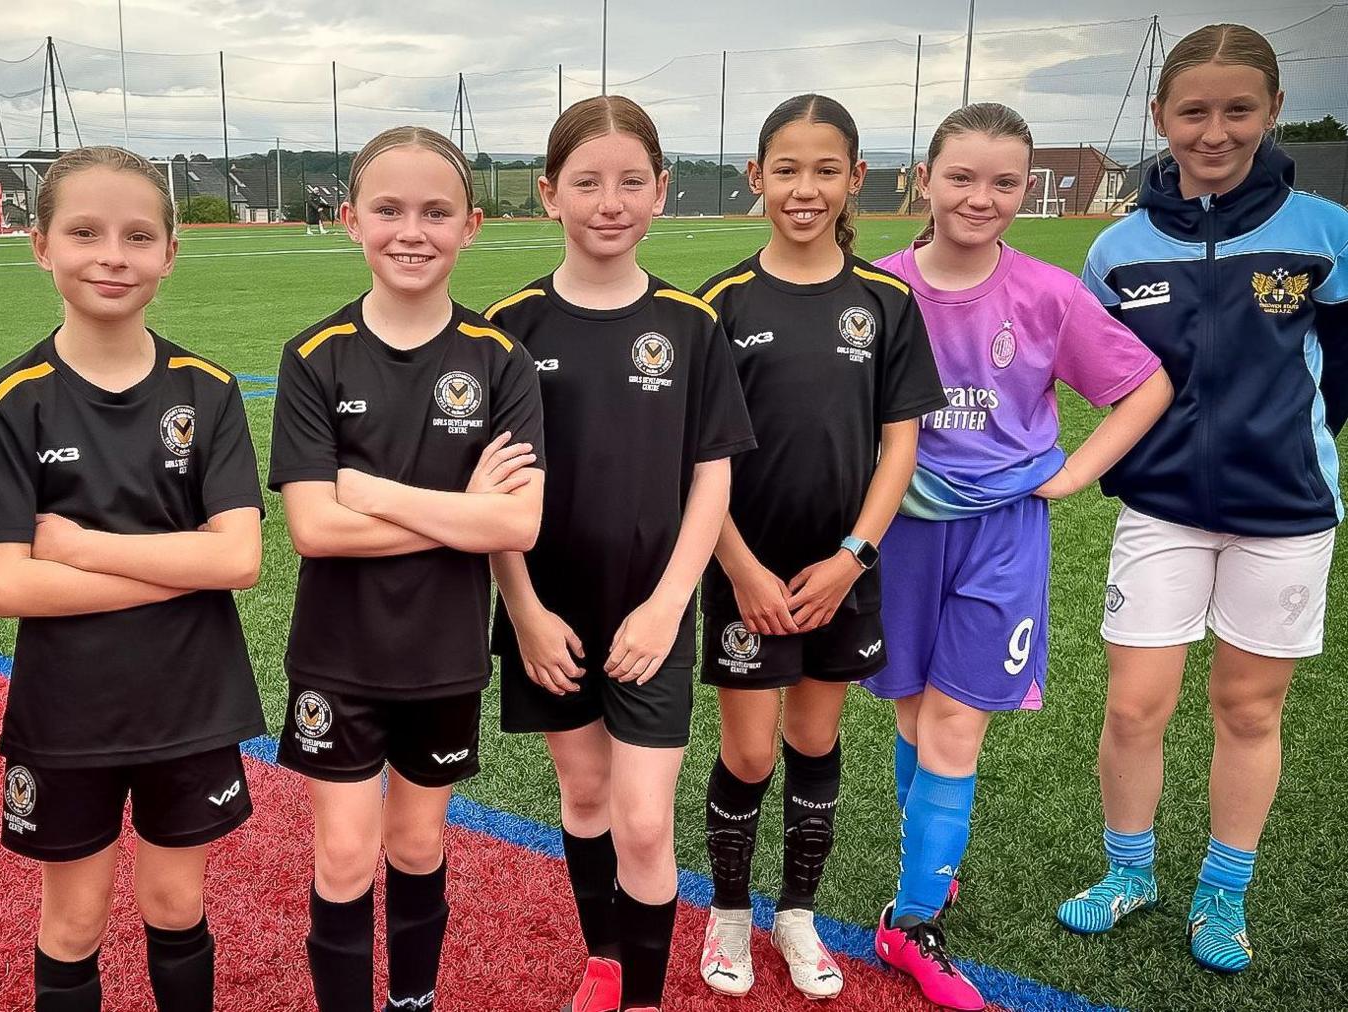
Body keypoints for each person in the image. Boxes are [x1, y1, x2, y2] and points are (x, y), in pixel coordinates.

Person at [859, 103, 1171, 1010]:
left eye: (1004, 182)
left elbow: (1145, 384)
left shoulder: (1047, 291)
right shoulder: (877, 289)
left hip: (1002, 535)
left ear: (1026, 189)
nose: (981, 197)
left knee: (958, 724)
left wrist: (1071, 475)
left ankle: (912, 920)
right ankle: (932, 870)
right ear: (924, 180)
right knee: (915, 719)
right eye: (961, 177)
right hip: (902, 529)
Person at [1055, 23, 1348, 974]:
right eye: (1193, 111)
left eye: (1237, 110)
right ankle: (1129, 872)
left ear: (1270, 112)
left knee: (1248, 710)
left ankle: (1223, 895)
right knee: (1136, 706)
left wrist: (1282, 445)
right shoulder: (1117, 250)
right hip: (1162, 508)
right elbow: (1107, 376)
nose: (1214, 131)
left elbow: (1339, 372)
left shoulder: (1324, 232)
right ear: (1159, 116)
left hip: (1286, 514)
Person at [0, 146, 266, 1011]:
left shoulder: (205, 391)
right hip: (68, 712)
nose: (113, 255)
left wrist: (80, 545)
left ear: (171, 251)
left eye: (139, 236)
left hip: (188, 700)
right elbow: (7, 588)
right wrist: (182, 563)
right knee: (75, 922)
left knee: (177, 903)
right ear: (41, 245)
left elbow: (239, 560)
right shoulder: (12, 399)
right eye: (85, 232)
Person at [269, 125, 545, 1012]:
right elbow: (314, 529)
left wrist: (371, 491)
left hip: (442, 654)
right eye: (388, 209)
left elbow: (521, 522)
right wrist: (462, 511)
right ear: (352, 219)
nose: (411, 230)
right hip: (337, 657)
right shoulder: (315, 357)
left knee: (419, 847)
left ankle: (414, 1001)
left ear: (472, 224)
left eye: (436, 211)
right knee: (346, 854)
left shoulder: (499, 360)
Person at [486, 94, 753, 1012]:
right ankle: (605, 960)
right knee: (587, 796)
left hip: (653, 610)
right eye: (587, 182)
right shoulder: (508, 327)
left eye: (631, 181)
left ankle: (641, 996)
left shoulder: (690, 325)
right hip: (549, 610)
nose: (610, 201)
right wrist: (522, 610)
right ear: (549, 193)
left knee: (644, 821)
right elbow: (494, 497)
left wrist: (669, 603)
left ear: (662, 190)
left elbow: (712, 479)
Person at [695, 93, 946, 1000]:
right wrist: (740, 567)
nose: (806, 189)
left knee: (814, 737)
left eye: (825, 170)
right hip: (745, 572)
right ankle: (728, 912)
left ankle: (797, 913)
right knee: (751, 752)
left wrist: (853, 559)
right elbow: (700, 459)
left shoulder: (884, 301)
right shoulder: (718, 304)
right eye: (787, 170)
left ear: (856, 179)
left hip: (844, 572)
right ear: (757, 177)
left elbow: (901, 446)